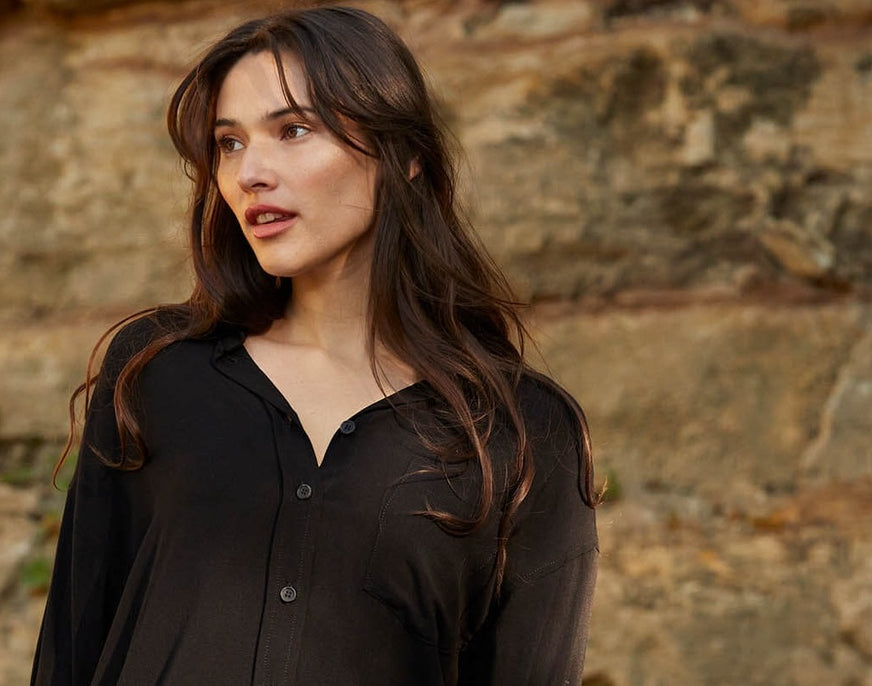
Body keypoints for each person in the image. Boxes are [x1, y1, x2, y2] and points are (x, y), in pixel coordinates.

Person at [30, 6, 599, 686]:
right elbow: (72, 645)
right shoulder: (156, 371)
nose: (250, 174)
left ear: (405, 156)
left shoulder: (521, 431)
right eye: (229, 143)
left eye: (293, 130)